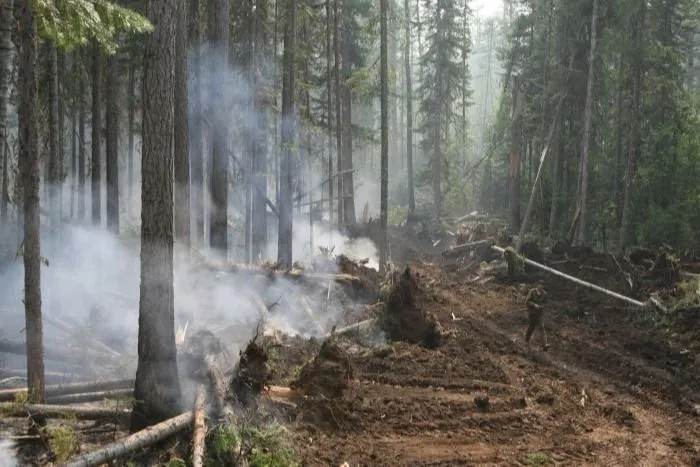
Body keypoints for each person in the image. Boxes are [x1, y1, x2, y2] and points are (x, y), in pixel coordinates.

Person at [525, 279, 549, 351]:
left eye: (542, 285)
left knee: (542, 327)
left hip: (540, 314)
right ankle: (526, 340)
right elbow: (527, 301)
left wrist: (541, 306)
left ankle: (544, 344)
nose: (541, 287)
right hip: (532, 313)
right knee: (531, 327)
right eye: (540, 285)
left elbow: (546, 303)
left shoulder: (545, 294)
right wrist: (534, 305)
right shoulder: (532, 291)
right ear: (537, 285)